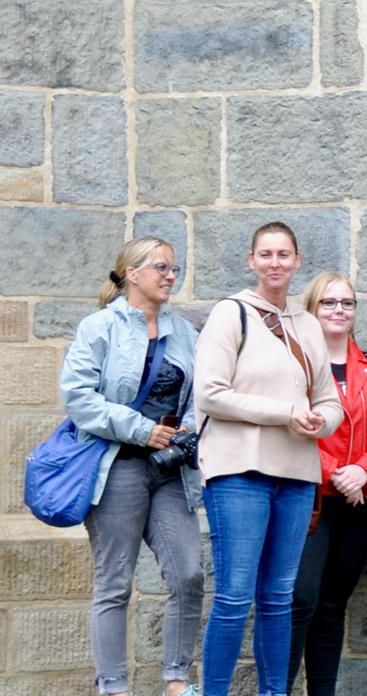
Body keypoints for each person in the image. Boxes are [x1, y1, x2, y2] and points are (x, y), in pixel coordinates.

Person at [194, 222, 345, 696]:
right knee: (235, 597)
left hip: (297, 475)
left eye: (284, 255)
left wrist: (322, 421)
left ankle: (274, 692)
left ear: (298, 261)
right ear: (251, 260)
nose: (275, 263)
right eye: (266, 254)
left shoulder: (307, 325)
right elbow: (211, 394)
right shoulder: (230, 314)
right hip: (239, 472)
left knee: (279, 598)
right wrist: (285, 413)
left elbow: (330, 400)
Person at [61, 237, 204, 696]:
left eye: (174, 269)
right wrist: (141, 429)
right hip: (116, 464)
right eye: (161, 267)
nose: (170, 276)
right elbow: (80, 399)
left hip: (168, 470)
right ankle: (114, 687)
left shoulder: (184, 332)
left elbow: (201, 394)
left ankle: (177, 681)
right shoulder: (99, 328)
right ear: (132, 273)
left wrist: (183, 430)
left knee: (188, 575)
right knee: (115, 582)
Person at [287, 272, 367, 696]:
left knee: (333, 606)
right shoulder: (296, 363)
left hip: (358, 502)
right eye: (329, 303)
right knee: (301, 601)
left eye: (347, 303)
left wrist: (364, 471)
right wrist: (336, 470)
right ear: (313, 309)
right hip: (312, 496)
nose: (338, 310)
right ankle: (278, 688)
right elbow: (293, 426)